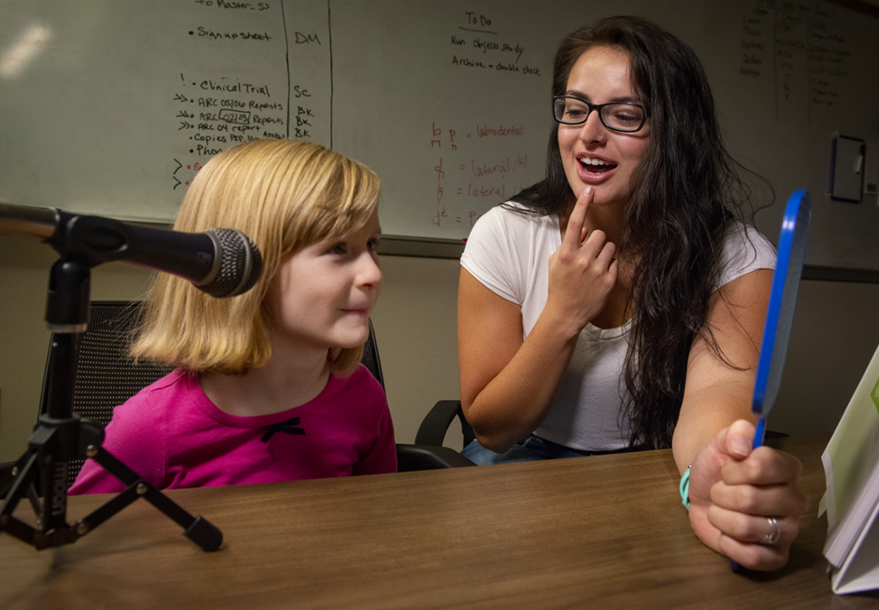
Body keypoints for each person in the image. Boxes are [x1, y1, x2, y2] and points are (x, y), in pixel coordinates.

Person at [458, 16, 807, 570]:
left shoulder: (737, 256)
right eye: (575, 110)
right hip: (523, 461)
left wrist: (715, 474)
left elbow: (715, 404)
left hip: (654, 465)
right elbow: (492, 429)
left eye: (624, 116)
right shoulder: (504, 232)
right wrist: (563, 315)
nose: (589, 134)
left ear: (676, 134)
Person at [70, 139, 396, 493]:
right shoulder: (150, 426)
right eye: (337, 248)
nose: (373, 274)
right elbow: (85, 540)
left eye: (371, 245)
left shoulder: (363, 398)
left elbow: (377, 522)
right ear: (241, 267)